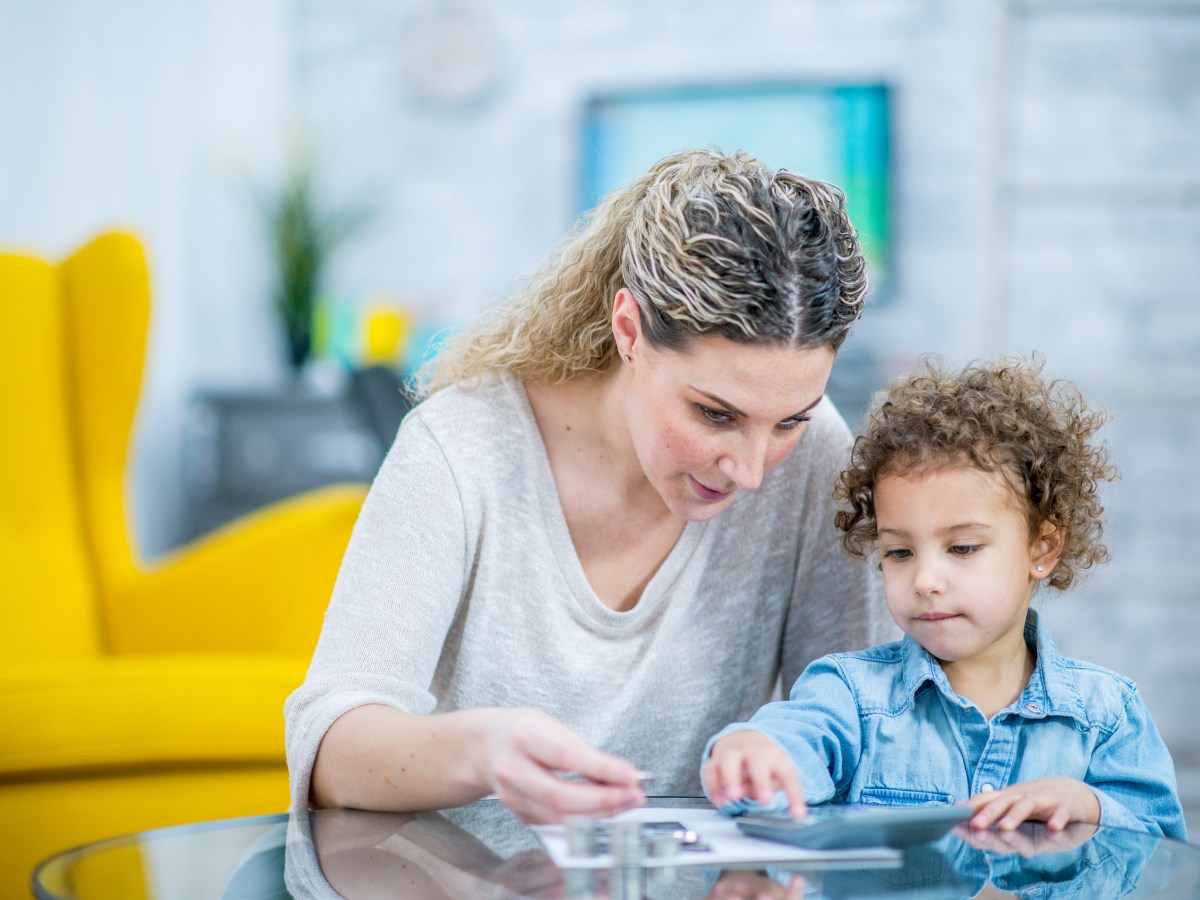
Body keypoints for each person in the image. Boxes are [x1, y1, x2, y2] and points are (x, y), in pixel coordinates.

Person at [284, 148, 892, 825]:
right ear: (629, 331)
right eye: (714, 414)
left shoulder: (816, 459)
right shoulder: (461, 449)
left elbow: (857, 726)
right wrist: (481, 751)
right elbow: (331, 749)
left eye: (789, 421)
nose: (750, 471)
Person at [702, 356, 1187, 839]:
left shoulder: (1107, 715)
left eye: (962, 548)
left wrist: (1090, 805)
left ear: (1043, 547)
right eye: (900, 551)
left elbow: (1164, 851)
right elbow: (797, 741)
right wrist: (754, 752)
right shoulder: (850, 695)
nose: (925, 579)